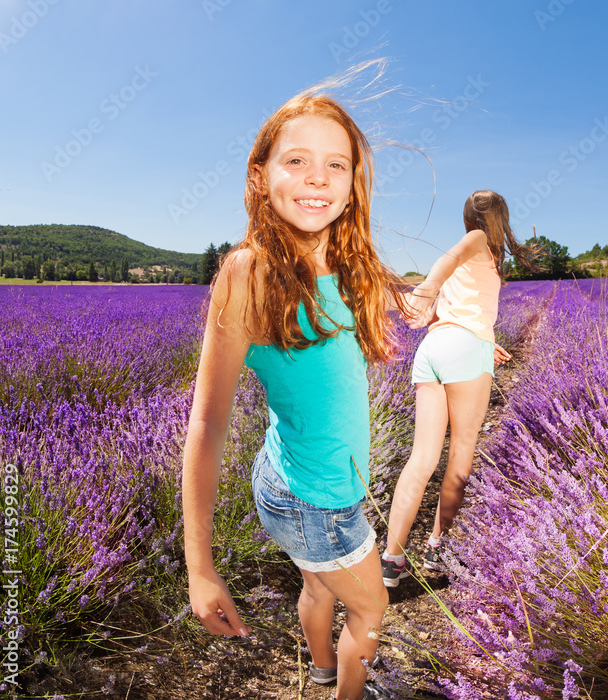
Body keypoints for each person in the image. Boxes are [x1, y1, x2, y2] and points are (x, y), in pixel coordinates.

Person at [182, 85, 406, 700]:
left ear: (354, 180)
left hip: (299, 478)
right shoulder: (249, 272)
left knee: (317, 588)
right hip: (317, 500)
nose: (318, 179)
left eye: (336, 164)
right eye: (296, 160)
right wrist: (200, 569)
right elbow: (207, 422)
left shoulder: (342, 257)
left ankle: (325, 670)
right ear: (261, 174)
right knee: (372, 611)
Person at [380, 190, 538, 587]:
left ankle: (391, 561)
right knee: (460, 456)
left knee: (422, 458)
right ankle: (438, 549)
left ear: (466, 216)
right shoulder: (479, 241)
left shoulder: (473, 262)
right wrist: (426, 289)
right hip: (464, 352)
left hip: (434, 349)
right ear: (496, 218)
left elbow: (450, 314)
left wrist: (485, 338)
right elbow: (445, 262)